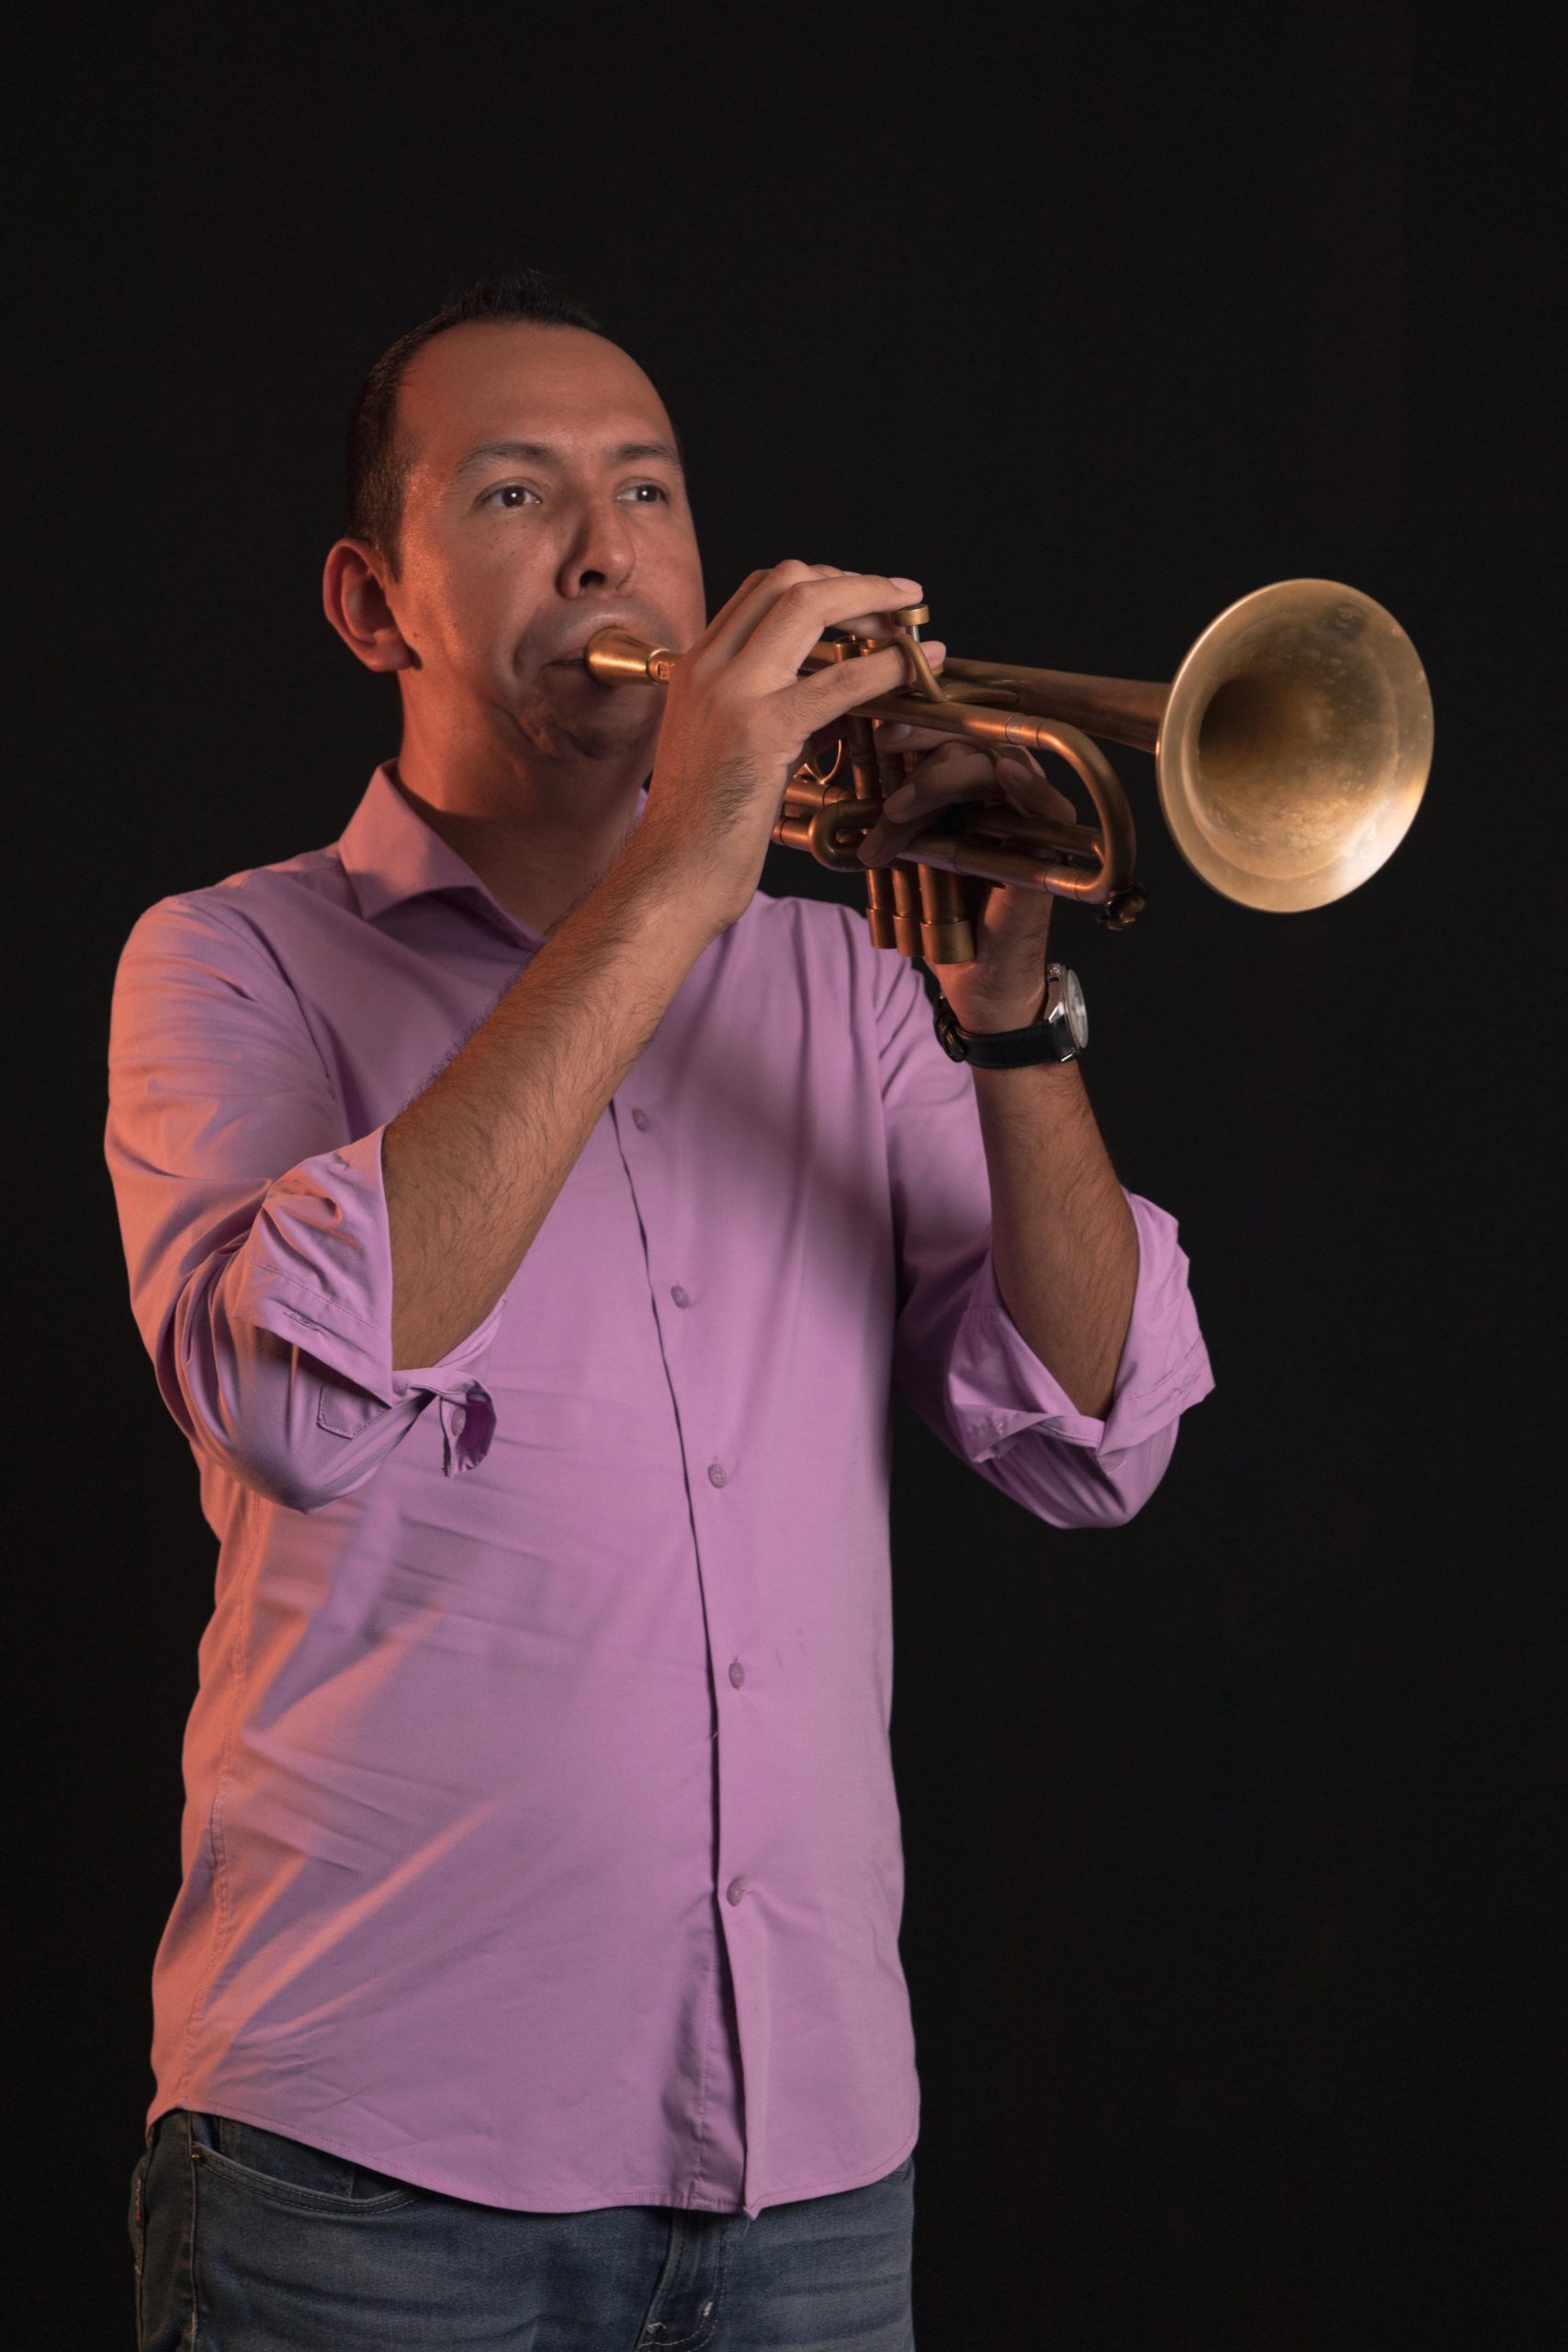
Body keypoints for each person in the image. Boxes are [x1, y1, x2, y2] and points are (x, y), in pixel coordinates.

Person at [107, 272, 1214, 2351]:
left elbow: (1098, 1434)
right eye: (517, 493)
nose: (607, 550)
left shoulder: (846, 983)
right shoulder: (227, 964)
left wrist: (1006, 1021)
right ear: (373, 604)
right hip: (368, 2165)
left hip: (808, 2168)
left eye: (649, 490)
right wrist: (681, 870)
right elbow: (293, 1401)